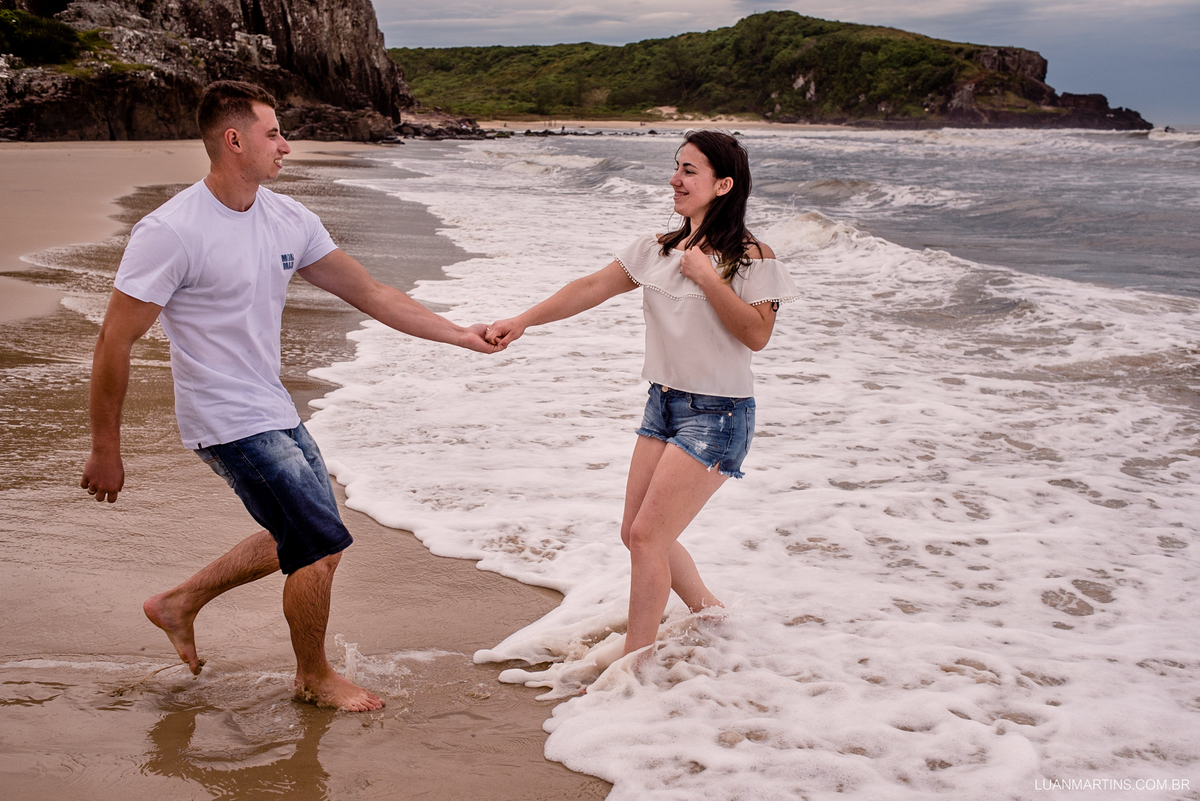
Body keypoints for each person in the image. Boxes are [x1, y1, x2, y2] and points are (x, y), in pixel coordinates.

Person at [80, 80, 498, 711]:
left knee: (303, 532)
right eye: (274, 133)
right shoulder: (171, 231)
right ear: (234, 140)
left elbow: (372, 293)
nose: (286, 146)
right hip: (222, 418)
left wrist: (459, 334)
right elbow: (115, 340)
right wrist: (105, 449)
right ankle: (313, 676)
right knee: (321, 544)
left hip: (272, 406)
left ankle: (179, 602)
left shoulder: (288, 219)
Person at [485, 130, 799, 659]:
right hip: (665, 405)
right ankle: (710, 614)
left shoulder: (753, 257)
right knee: (635, 533)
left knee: (649, 538)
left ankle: (636, 662)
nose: (675, 180)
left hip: (718, 414)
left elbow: (756, 335)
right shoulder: (658, 250)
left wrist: (708, 278)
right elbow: (589, 288)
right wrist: (522, 321)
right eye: (677, 168)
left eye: (690, 171)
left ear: (723, 185)